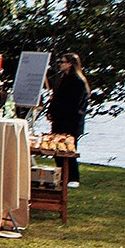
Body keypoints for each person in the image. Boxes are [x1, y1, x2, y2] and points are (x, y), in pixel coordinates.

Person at [47, 53, 91, 187]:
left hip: (70, 121)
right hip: (60, 120)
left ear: (70, 64)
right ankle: (62, 176)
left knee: (68, 150)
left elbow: (73, 104)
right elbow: (58, 98)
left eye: (63, 62)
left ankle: (73, 178)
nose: (60, 64)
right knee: (58, 151)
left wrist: (57, 109)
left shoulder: (77, 81)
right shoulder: (65, 78)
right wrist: (51, 111)